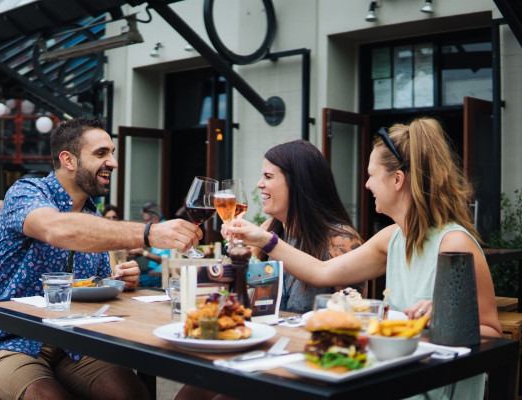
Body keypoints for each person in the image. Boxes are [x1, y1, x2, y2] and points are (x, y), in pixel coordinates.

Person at [228, 118, 501, 399]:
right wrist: (264, 240)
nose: (367, 184)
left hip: (435, 388)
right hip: (397, 378)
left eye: (371, 175)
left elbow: (492, 332)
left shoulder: (453, 242)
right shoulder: (394, 237)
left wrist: (447, 318)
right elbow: (321, 272)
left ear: (397, 180)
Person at [0, 117, 202, 400]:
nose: (113, 162)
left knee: (134, 395)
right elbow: (58, 229)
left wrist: (121, 280)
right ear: (68, 159)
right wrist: (149, 233)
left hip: (76, 343)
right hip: (14, 340)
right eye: (101, 153)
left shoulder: (93, 217)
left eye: (112, 153)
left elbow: (96, 283)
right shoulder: (26, 193)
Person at [175, 140, 364, 400]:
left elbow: (354, 318)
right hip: (262, 347)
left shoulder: (341, 240)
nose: (258, 184)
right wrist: (236, 255)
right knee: (189, 393)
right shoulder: (268, 229)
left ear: (298, 183)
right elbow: (234, 293)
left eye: (268, 176)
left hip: (305, 361)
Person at [128, 202, 170, 287]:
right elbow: (153, 250)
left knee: (131, 283)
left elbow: (164, 260)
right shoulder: (157, 230)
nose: (145, 224)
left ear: (156, 218)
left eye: (147, 221)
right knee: (128, 278)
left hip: (161, 274)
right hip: (152, 271)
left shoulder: (166, 230)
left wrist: (142, 252)